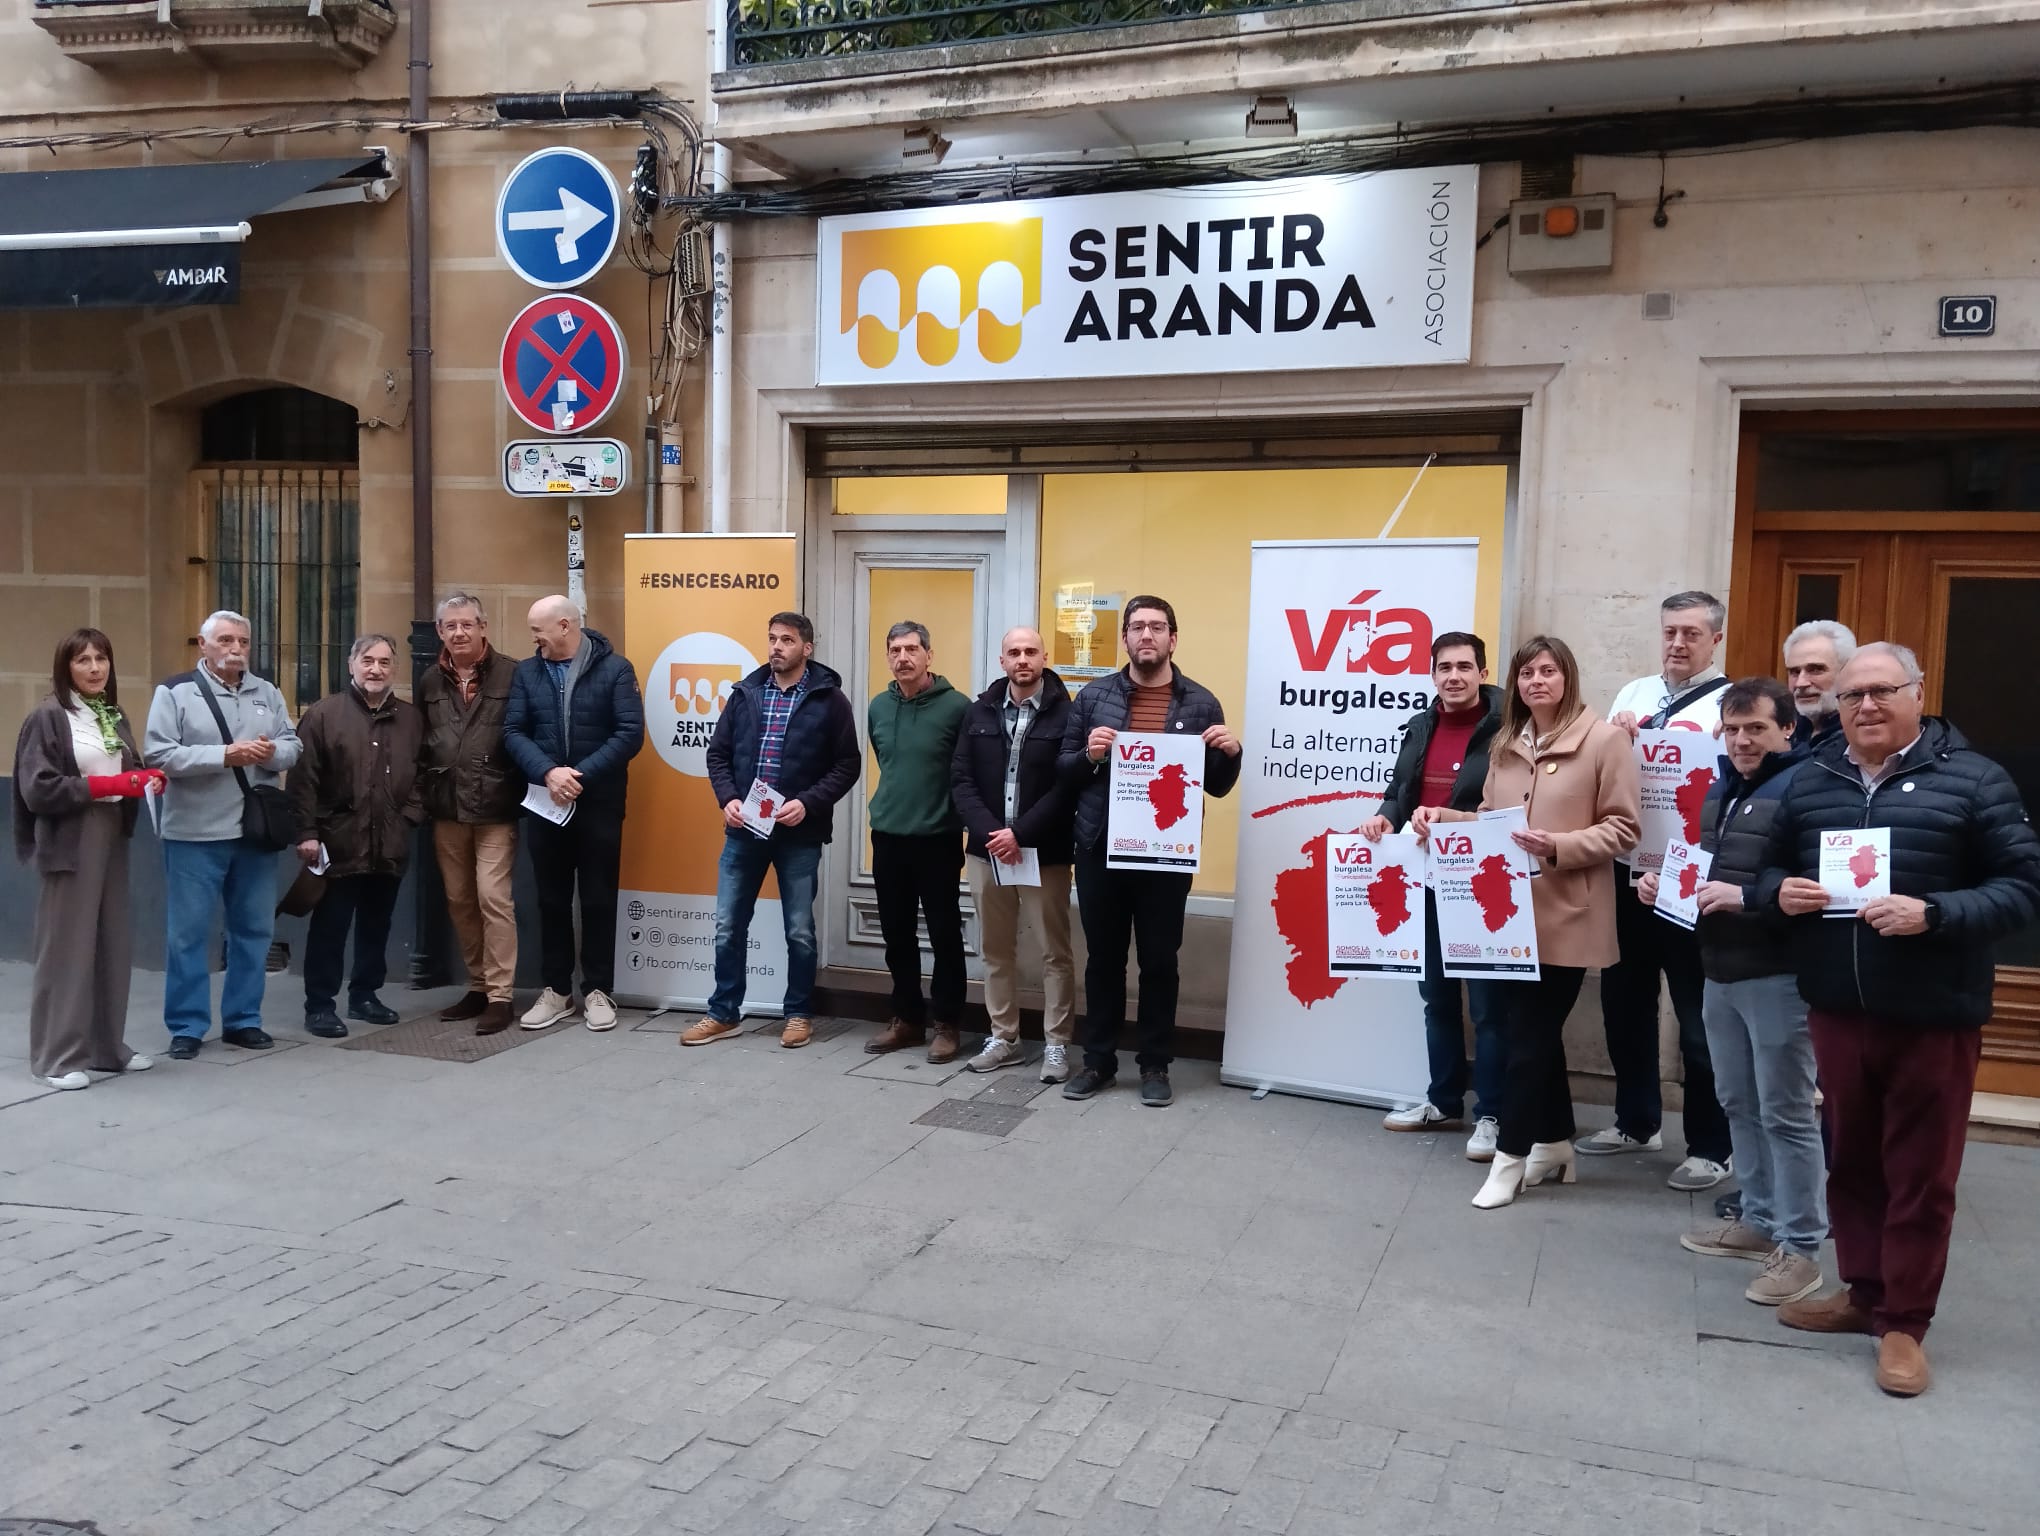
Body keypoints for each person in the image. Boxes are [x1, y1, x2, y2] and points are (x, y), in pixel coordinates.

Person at [1759, 642, 2040, 1397]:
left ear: (1918, 694)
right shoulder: (1811, 781)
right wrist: (1777, 893)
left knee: (1921, 1173)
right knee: (1850, 1161)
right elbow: (1758, 869)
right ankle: (1863, 1292)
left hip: (1933, 1013)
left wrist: (1937, 913)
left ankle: (1905, 1323)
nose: (1867, 706)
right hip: (1839, 1007)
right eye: (1852, 696)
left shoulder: (1974, 779)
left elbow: (2021, 885)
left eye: (1883, 691)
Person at [1416, 636, 1640, 1210]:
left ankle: (1510, 1159)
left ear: (1568, 677)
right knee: (1535, 1038)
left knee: (1524, 1037)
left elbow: (1624, 828)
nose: (1537, 680)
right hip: (1507, 920)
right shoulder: (1506, 744)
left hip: (1568, 916)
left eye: (1548, 671)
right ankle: (1556, 1142)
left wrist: (1557, 845)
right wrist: (1445, 817)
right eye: (1527, 673)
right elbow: (1492, 820)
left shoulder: (1605, 741)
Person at [1639, 677, 1825, 1306]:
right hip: (1720, 968)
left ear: (1787, 731)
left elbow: (1820, 884)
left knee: (1787, 1113)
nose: (1743, 740)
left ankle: (1801, 1249)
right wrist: (1666, 886)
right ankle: (1758, 1220)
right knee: (1738, 1103)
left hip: (1778, 975)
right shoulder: (1723, 786)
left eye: (1757, 729)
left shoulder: (1806, 786)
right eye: (1734, 728)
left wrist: (1747, 897)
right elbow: (1714, 868)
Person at [1057, 596, 1241, 1108]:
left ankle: (1155, 1064)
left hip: (1165, 855)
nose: (1146, 636)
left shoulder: (1201, 703)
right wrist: (1090, 754)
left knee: (1161, 961)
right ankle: (1098, 1062)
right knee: (1104, 960)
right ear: (1125, 640)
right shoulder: (1093, 697)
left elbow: (1218, 786)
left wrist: (1231, 753)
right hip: (1100, 848)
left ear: (1173, 639)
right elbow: (1064, 771)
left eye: (1156, 627)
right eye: (1136, 627)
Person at [1589, 589, 1734, 1190]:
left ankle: (1709, 1145)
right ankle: (1636, 1120)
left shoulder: (1733, 703)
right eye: (1671, 631)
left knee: (1698, 1016)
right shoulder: (1634, 693)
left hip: (1689, 878)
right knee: (1623, 1001)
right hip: (1627, 870)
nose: (1678, 643)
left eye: (1692, 633)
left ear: (1715, 639)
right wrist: (1615, 734)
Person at [1361, 631, 1509, 1159]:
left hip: (1479, 880)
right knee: (1437, 997)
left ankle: (1491, 1114)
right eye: (1444, 667)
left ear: (1483, 672)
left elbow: (1510, 808)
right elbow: (1402, 792)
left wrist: (1452, 820)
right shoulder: (1421, 725)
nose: (1454, 676)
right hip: (1423, 878)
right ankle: (1444, 1101)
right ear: (1432, 675)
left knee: (1489, 1006)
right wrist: (1385, 816)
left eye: (1465, 666)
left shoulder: (1506, 730)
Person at [683, 612, 860, 1050]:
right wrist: (729, 800)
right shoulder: (746, 693)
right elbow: (718, 755)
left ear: (807, 648)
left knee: (798, 929)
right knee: (727, 924)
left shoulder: (829, 699)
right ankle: (724, 1012)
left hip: (798, 832)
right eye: (772, 639)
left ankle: (798, 1014)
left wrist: (809, 802)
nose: (776, 647)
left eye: (786, 640)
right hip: (745, 829)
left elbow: (848, 764)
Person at [144, 609, 302, 1060]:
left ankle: (243, 1020)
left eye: (244, 642)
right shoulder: (175, 692)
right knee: (188, 934)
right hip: (194, 832)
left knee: (253, 931)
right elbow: (159, 753)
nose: (236, 650)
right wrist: (224, 756)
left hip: (253, 832)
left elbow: (293, 745)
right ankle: (188, 1026)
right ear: (203, 644)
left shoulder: (266, 692)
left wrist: (272, 752)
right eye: (227, 641)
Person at [12, 629, 165, 1088]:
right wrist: (107, 787)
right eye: (83, 660)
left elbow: (121, 770)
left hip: (112, 836)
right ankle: (56, 1057)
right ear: (66, 667)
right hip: (71, 839)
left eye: (102, 658)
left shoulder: (110, 714)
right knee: (66, 949)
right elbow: (37, 788)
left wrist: (144, 778)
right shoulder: (48, 718)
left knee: (110, 944)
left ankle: (105, 1049)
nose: (95, 668)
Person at [502, 596, 643, 1033]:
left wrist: (576, 776)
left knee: (600, 899)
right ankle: (557, 991)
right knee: (551, 900)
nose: (534, 638)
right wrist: (548, 773)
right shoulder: (527, 672)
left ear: (565, 626)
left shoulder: (615, 669)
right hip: (546, 805)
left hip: (597, 804)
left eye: (538, 629)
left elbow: (630, 734)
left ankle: (599, 991)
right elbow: (512, 731)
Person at [951, 627, 1077, 1080]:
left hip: (1045, 851)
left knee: (1054, 953)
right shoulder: (978, 711)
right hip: (988, 852)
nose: (1022, 659)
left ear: (1044, 657)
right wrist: (992, 833)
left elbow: (1068, 787)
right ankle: (1004, 1037)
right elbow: (961, 780)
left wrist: (1019, 832)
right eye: (1013, 653)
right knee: (996, 950)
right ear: (1001, 661)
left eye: (1030, 652)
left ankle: (1057, 1045)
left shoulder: (1069, 714)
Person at [287, 635, 424, 1039]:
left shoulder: (412, 719)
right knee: (330, 926)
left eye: (384, 662)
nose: (375, 669)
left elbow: (424, 773)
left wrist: (409, 818)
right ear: (351, 664)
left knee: (376, 925)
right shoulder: (324, 715)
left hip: (390, 842)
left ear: (394, 670)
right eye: (368, 660)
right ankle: (320, 1005)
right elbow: (302, 781)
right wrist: (307, 832)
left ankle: (365, 995)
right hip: (337, 842)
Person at [863, 621, 972, 1063]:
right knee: (897, 935)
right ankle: (907, 1019)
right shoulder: (877, 707)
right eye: (894, 650)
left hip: (938, 838)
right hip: (889, 836)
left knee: (946, 936)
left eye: (911, 649)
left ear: (929, 655)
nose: (903, 658)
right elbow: (886, 761)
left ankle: (947, 1024)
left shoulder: (958, 708)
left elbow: (966, 772)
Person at [418, 592, 523, 1036]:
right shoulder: (429, 681)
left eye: (467, 624)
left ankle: (501, 996)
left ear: (483, 627)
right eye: (450, 626)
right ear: (440, 632)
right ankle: (478, 985)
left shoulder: (514, 674)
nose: (459, 632)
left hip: (496, 805)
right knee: (460, 900)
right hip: (446, 807)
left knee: (492, 897)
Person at [1782, 619, 1857, 748]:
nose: (1801, 683)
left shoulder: (1861, 740)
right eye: (1794, 672)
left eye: (1815, 670)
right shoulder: (1783, 732)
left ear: (1846, 670)